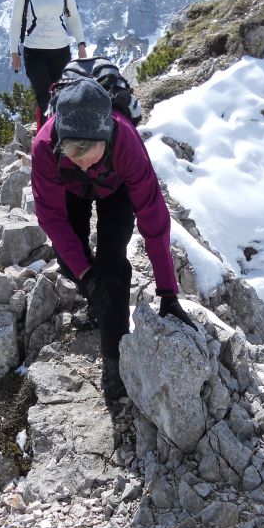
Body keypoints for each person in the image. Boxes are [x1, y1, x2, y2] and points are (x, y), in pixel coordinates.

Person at [30, 79, 196, 403]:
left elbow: (154, 220)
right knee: (70, 261)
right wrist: (85, 275)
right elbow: (51, 217)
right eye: (74, 157)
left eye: (89, 156)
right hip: (70, 191)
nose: (84, 164)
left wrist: (167, 292)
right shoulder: (45, 149)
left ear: (106, 136)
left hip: (115, 188)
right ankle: (97, 307)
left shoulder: (127, 144)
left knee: (113, 271)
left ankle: (114, 360)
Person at [9, 0, 88, 127]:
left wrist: (81, 44)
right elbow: (15, 22)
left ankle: (63, 135)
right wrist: (14, 52)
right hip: (34, 52)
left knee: (63, 95)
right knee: (44, 97)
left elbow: (73, 16)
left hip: (61, 50)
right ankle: (45, 141)